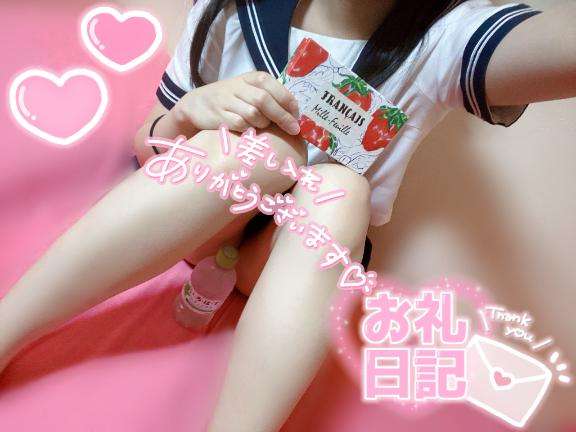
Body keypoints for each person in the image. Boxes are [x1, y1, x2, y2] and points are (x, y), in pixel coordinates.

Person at [1, 0, 575, 430]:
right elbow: (150, 142)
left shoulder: (447, 35)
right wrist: (186, 115)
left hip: (295, 258)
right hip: (197, 221)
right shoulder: (231, 8)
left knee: (342, 189)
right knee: (264, 148)